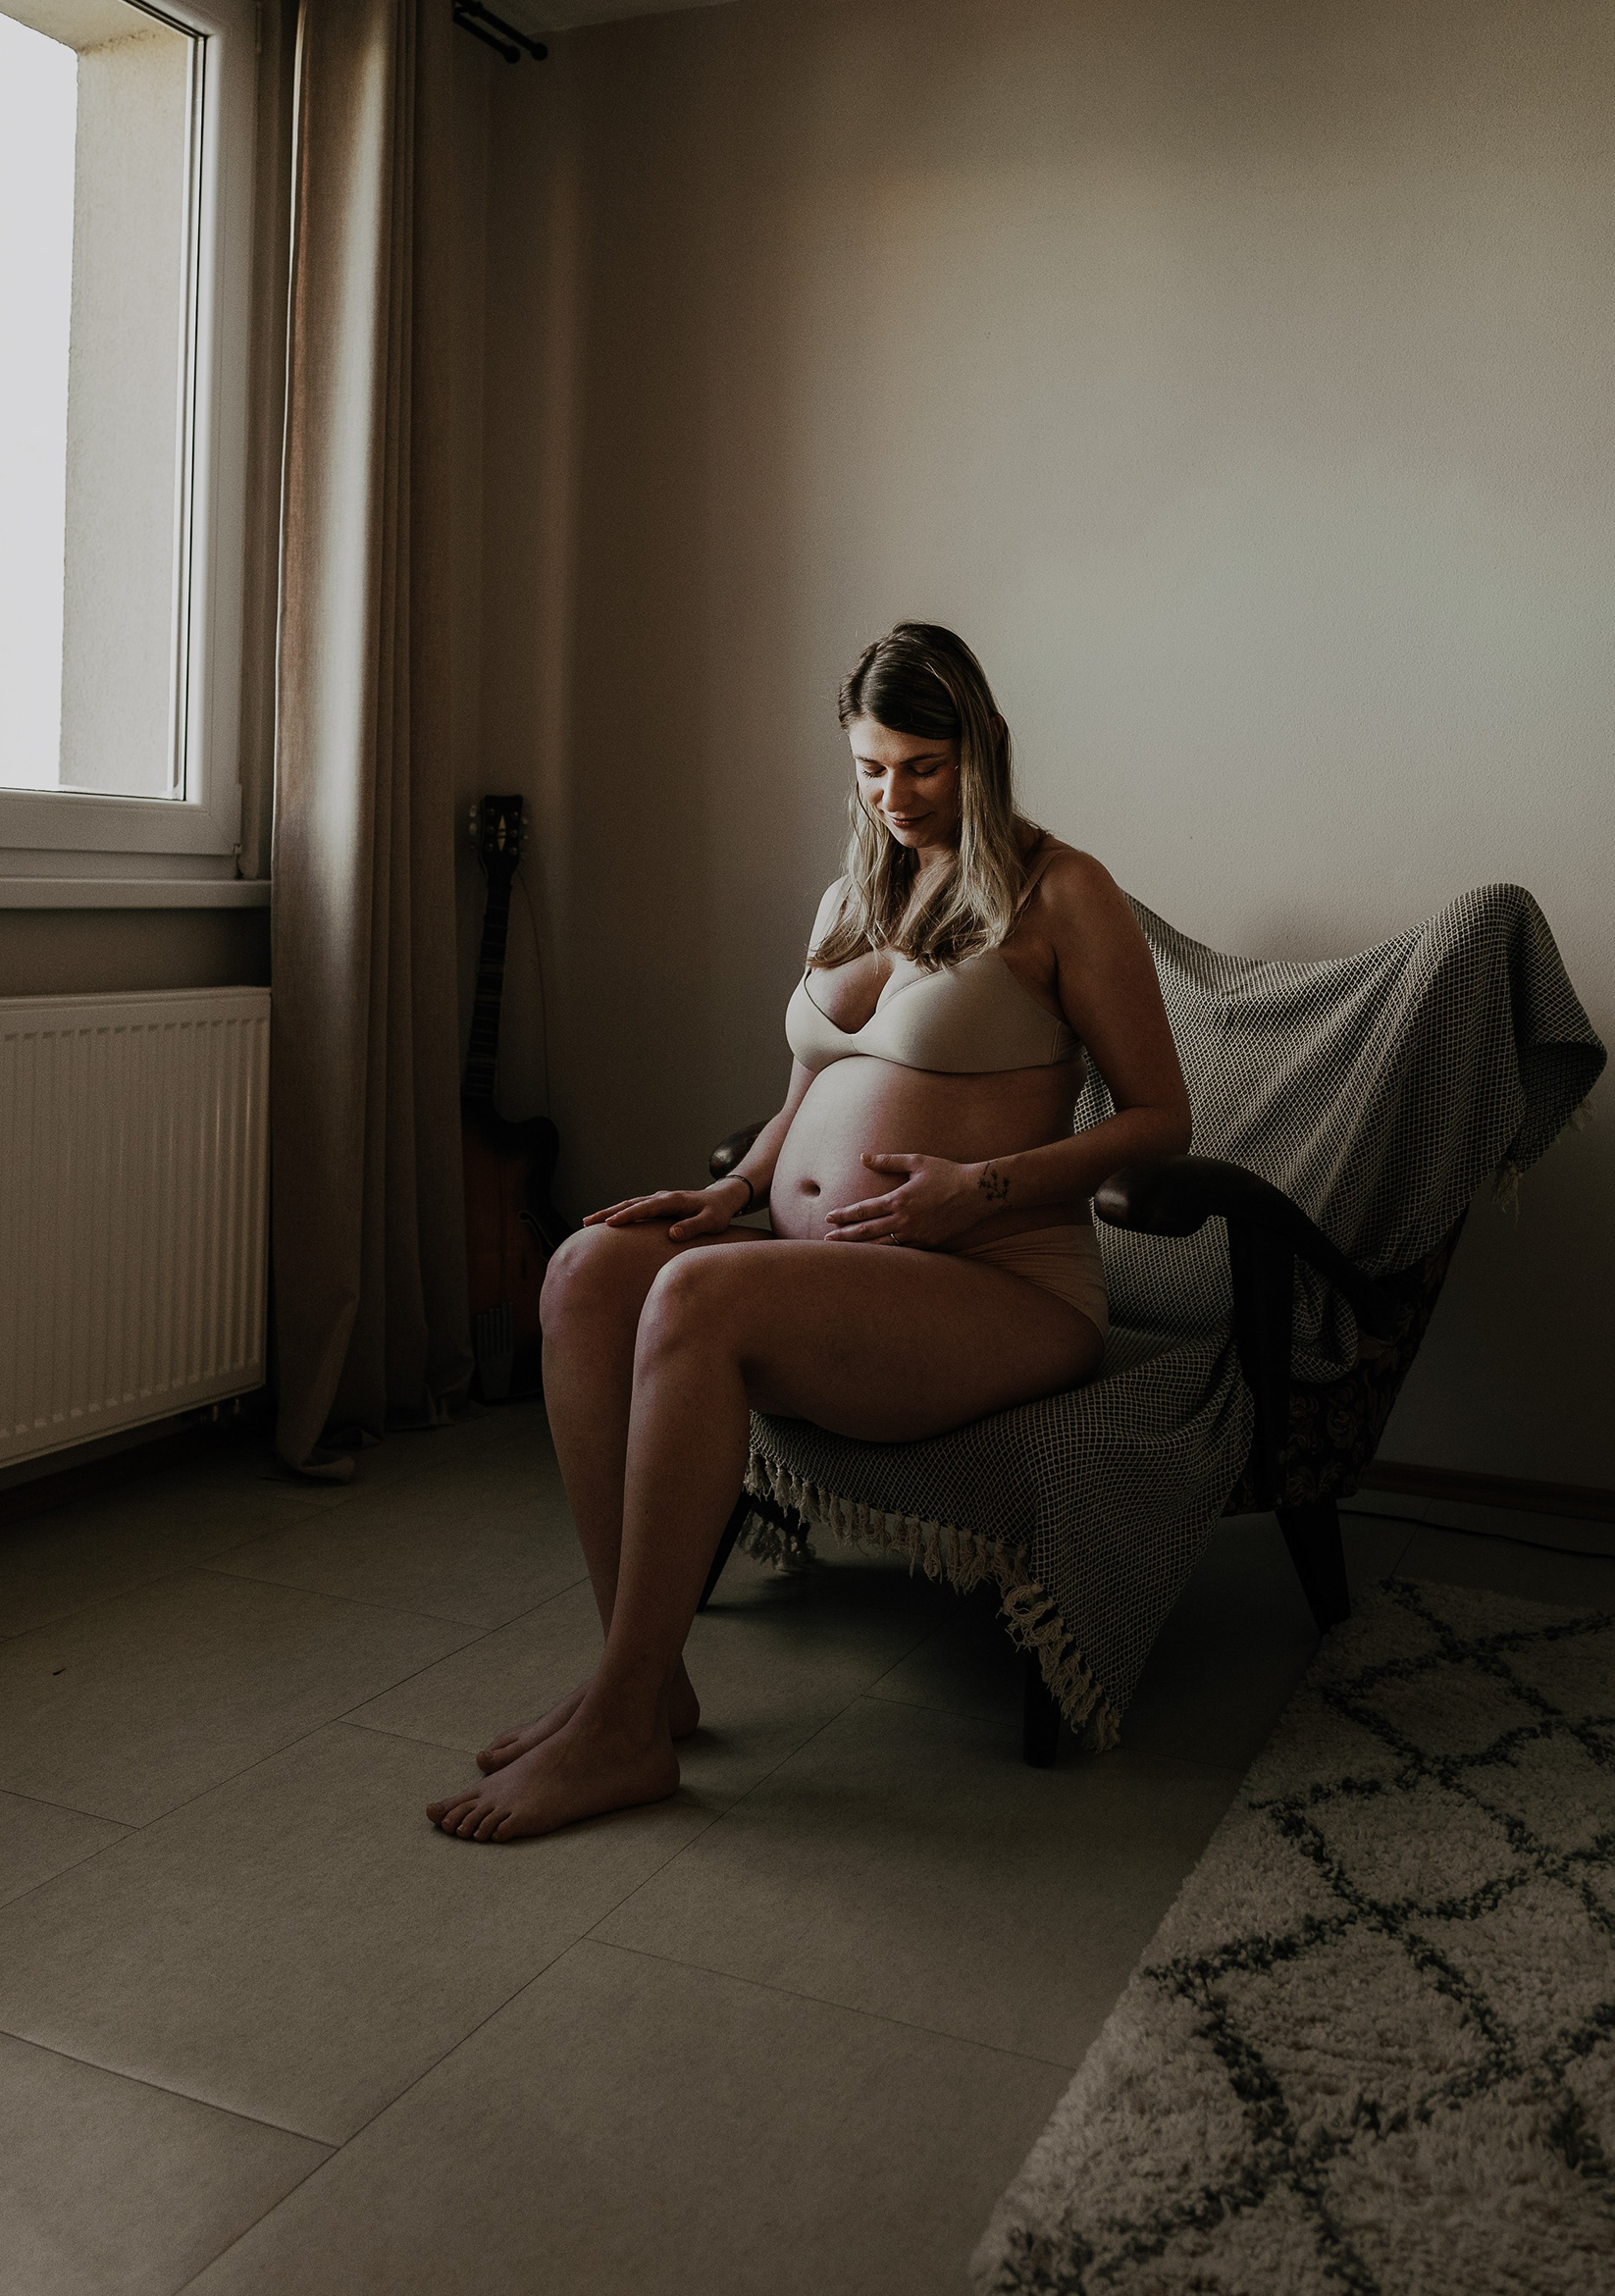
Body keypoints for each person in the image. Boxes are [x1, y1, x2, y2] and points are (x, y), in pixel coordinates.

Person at [427, 622, 1190, 1841]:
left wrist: (981, 1187)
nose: (896, 796)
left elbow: (1161, 1119)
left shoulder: (1064, 892)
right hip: (836, 1271)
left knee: (695, 1298)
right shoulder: (851, 898)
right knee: (585, 1270)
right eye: (871, 768)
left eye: (924, 767)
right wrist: (731, 1192)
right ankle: (644, 1680)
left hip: (1002, 1283)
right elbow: (807, 1095)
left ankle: (619, 1731)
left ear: (984, 749)